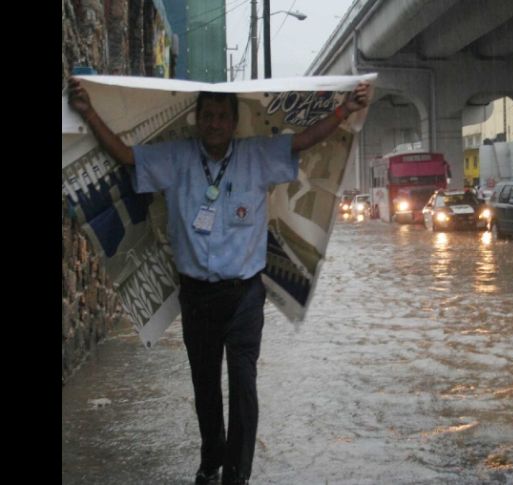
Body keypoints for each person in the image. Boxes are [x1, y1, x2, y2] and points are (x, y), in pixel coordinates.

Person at [67, 77, 370, 485]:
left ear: (233, 122)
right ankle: (211, 462)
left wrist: (344, 110)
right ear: (197, 119)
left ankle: (237, 475)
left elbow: (301, 142)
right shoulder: (174, 159)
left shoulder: (257, 156)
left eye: (221, 117)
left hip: (245, 295)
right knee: (205, 386)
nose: (214, 123)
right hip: (197, 296)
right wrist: (88, 112)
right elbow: (126, 156)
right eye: (207, 116)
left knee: (243, 384)